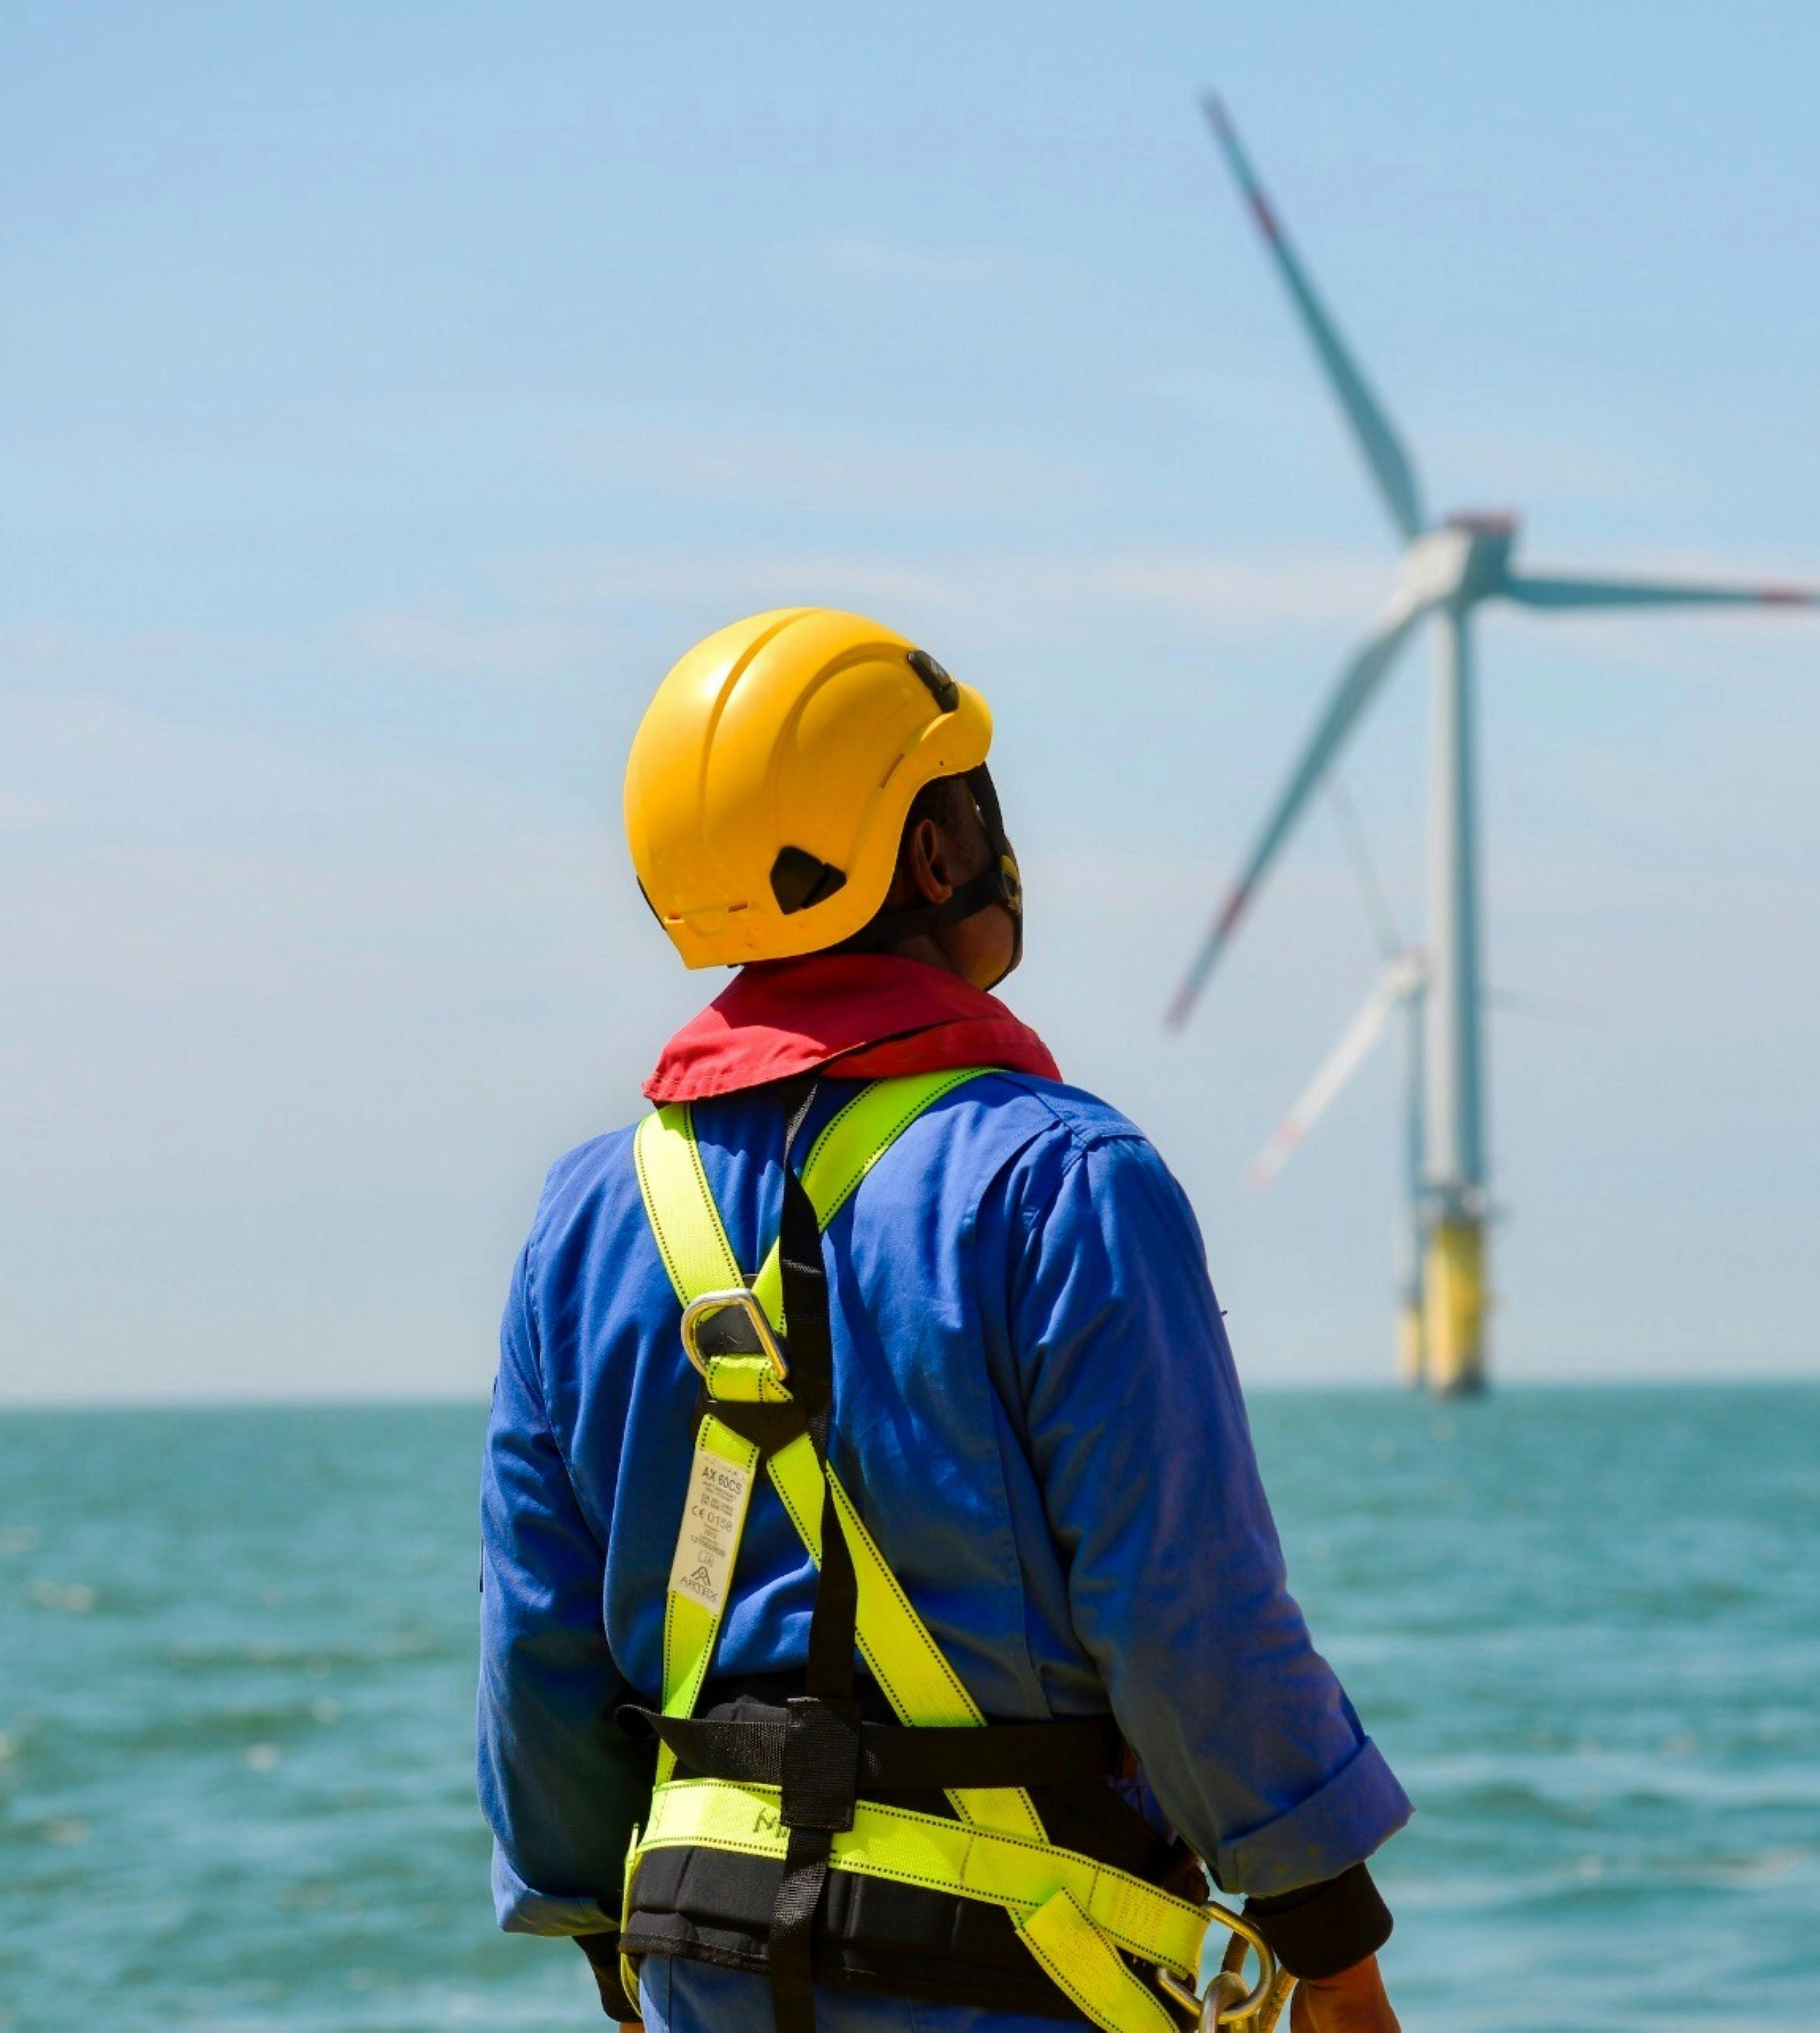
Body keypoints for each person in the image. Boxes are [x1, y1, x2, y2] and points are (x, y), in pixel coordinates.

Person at [478, 608, 1410, 2033]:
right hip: (1032, 1971)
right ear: (932, 850)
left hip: (697, 1964)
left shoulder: (587, 1217)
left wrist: (613, 1939)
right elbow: (1183, 1609)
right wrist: (1331, 1949)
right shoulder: (1062, 1180)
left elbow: (538, 1649)